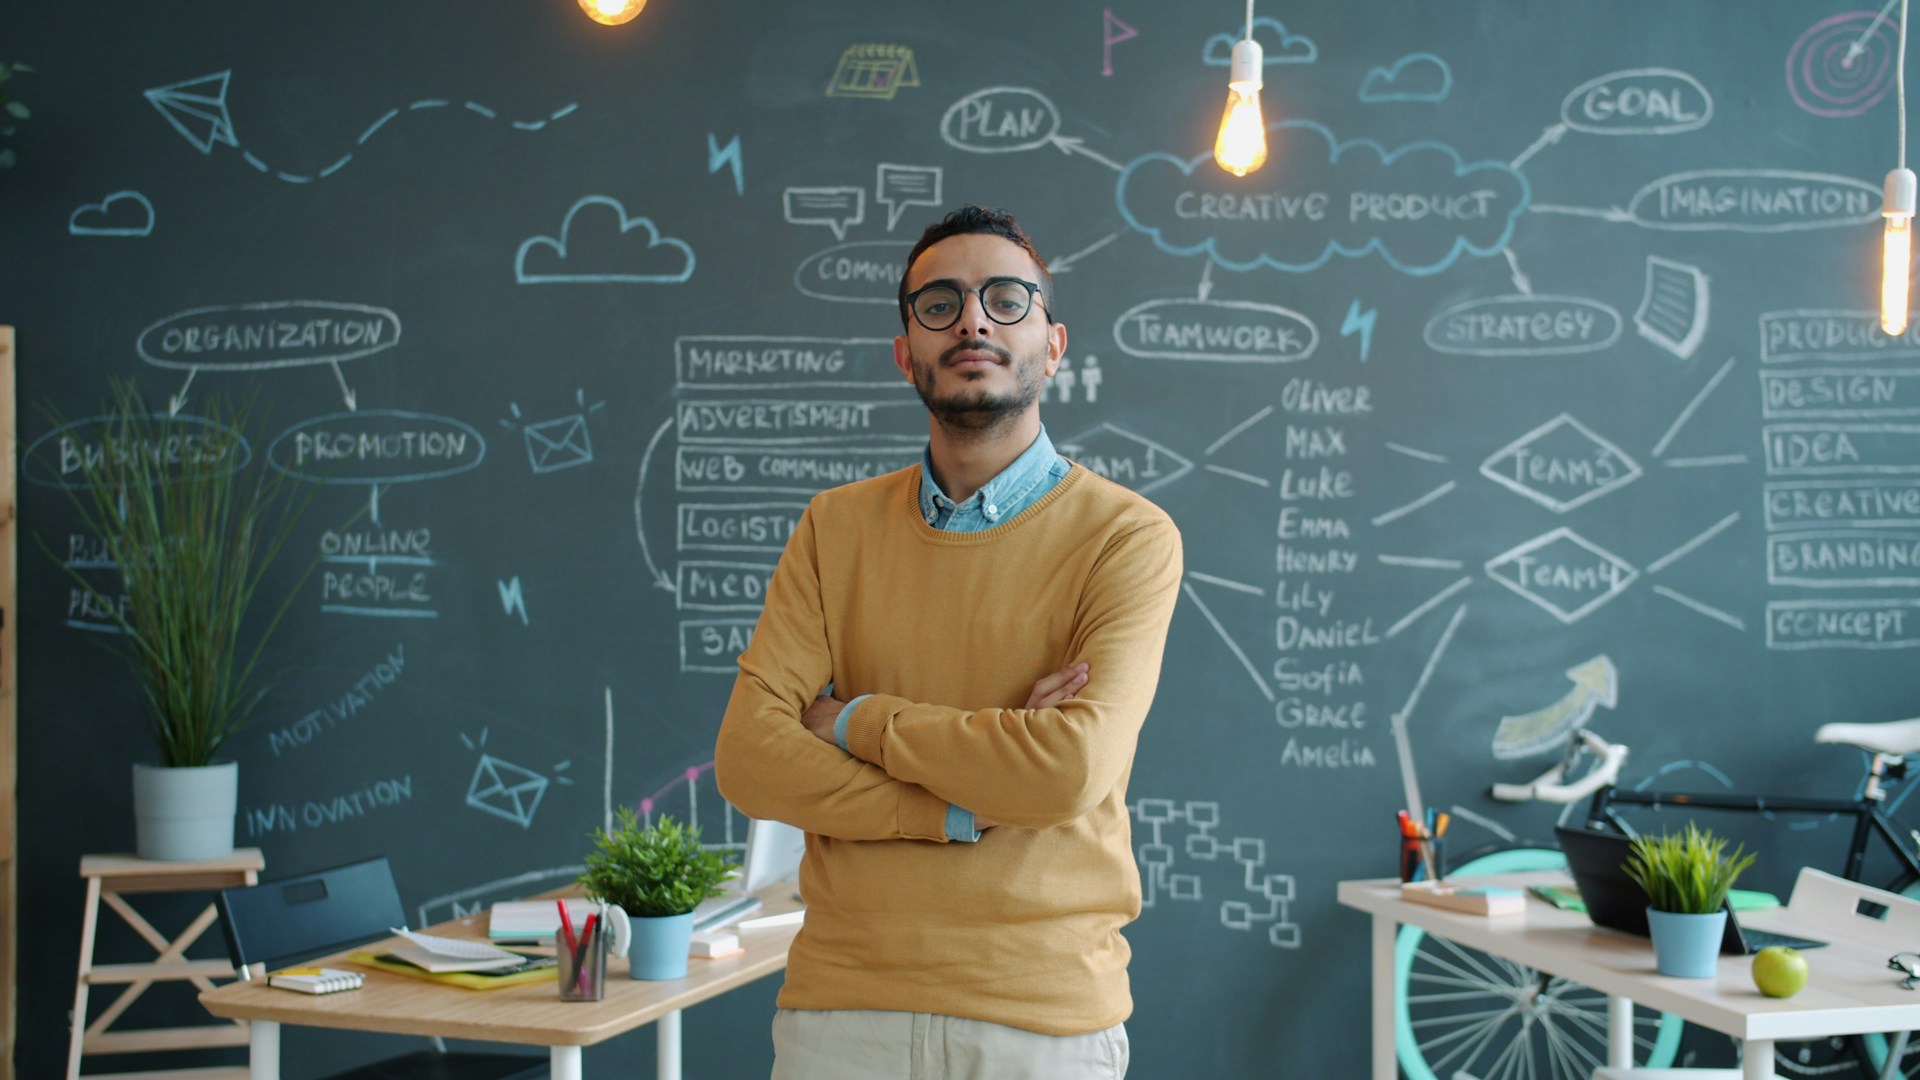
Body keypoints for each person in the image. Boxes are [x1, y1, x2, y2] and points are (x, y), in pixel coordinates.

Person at [714, 204, 1182, 1080]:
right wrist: (958, 807)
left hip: (1042, 1022)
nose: (973, 319)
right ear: (906, 355)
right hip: (840, 1016)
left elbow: (1066, 771)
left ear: (1053, 343)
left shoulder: (1127, 536)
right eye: (940, 303)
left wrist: (852, 720)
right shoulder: (833, 528)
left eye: (1008, 299)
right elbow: (750, 760)